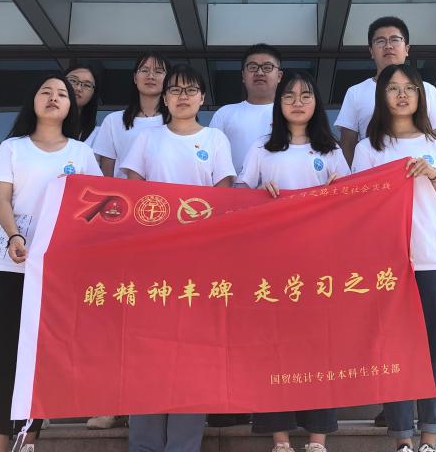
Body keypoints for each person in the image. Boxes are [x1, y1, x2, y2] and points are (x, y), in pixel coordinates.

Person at [0, 73, 103, 452]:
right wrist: (15, 236)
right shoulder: (13, 148)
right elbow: (1, 199)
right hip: (9, 263)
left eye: (62, 94)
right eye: (45, 92)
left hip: (57, 270)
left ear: (70, 106)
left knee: (42, 355)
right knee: (5, 355)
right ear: (33, 101)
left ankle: (28, 438)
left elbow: (97, 206)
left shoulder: (81, 154)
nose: (53, 97)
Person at [121, 64, 236, 452]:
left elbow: (223, 192)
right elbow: (134, 194)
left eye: (190, 90)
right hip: (153, 260)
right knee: (148, 350)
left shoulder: (215, 138)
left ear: (202, 97)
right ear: (165, 98)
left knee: (193, 354)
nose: (182, 96)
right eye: (175, 90)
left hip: (200, 262)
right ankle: (144, 444)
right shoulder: (147, 139)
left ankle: (183, 445)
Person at [351, 65, 436, 452]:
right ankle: (401, 439)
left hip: (435, 259)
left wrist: (432, 175)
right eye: (393, 88)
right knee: (392, 351)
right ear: (381, 96)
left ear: (420, 96)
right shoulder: (368, 149)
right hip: (388, 264)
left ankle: (429, 438)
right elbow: (357, 209)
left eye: (410, 88)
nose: (402, 95)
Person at [238, 69, 349, 452]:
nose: (297, 102)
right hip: (272, 264)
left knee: (320, 346)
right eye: (289, 96)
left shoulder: (330, 150)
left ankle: (317, 438)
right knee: (273, 346)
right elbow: (239, 195)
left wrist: (338, 194)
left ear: (316, 103)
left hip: (319, 264)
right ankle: (281, 439)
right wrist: (258, 192)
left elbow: (353, 202)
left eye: (305, 95)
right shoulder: (262, 148)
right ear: (278, 104)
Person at [86, 52, 170, 431]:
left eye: (159, 70)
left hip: (169, 233)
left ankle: (158, 400)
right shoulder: (114, 122)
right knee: (120, 316)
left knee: (159, 317)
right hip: (125, 229)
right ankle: (113, 402)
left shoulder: (177, 122)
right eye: (144, 70)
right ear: (134, 78)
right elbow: (104, 176)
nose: (151, 76)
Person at [335, 17, 436, 167]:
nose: (388, 46)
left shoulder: (427, 89)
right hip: (375, 173)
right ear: (371, 51)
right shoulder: (355, 92)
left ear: (407, 49)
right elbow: (347, 144)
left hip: (422, 173)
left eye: (395, 40)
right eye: (380, 41)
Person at [210, 43, 284, 173]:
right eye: (253, 67)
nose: (259, 72)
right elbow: (211, 158)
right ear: (243, 76)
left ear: (279, 76)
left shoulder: (289, 113)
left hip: (281, 185)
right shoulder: (224, 113)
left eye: (267, 67)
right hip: (235, 186)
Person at [66, 62, 102, 148]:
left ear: (93, 94)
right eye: (73, 81)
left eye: (87, 85)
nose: (78, 88)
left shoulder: (98, 135)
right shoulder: (40, 128)